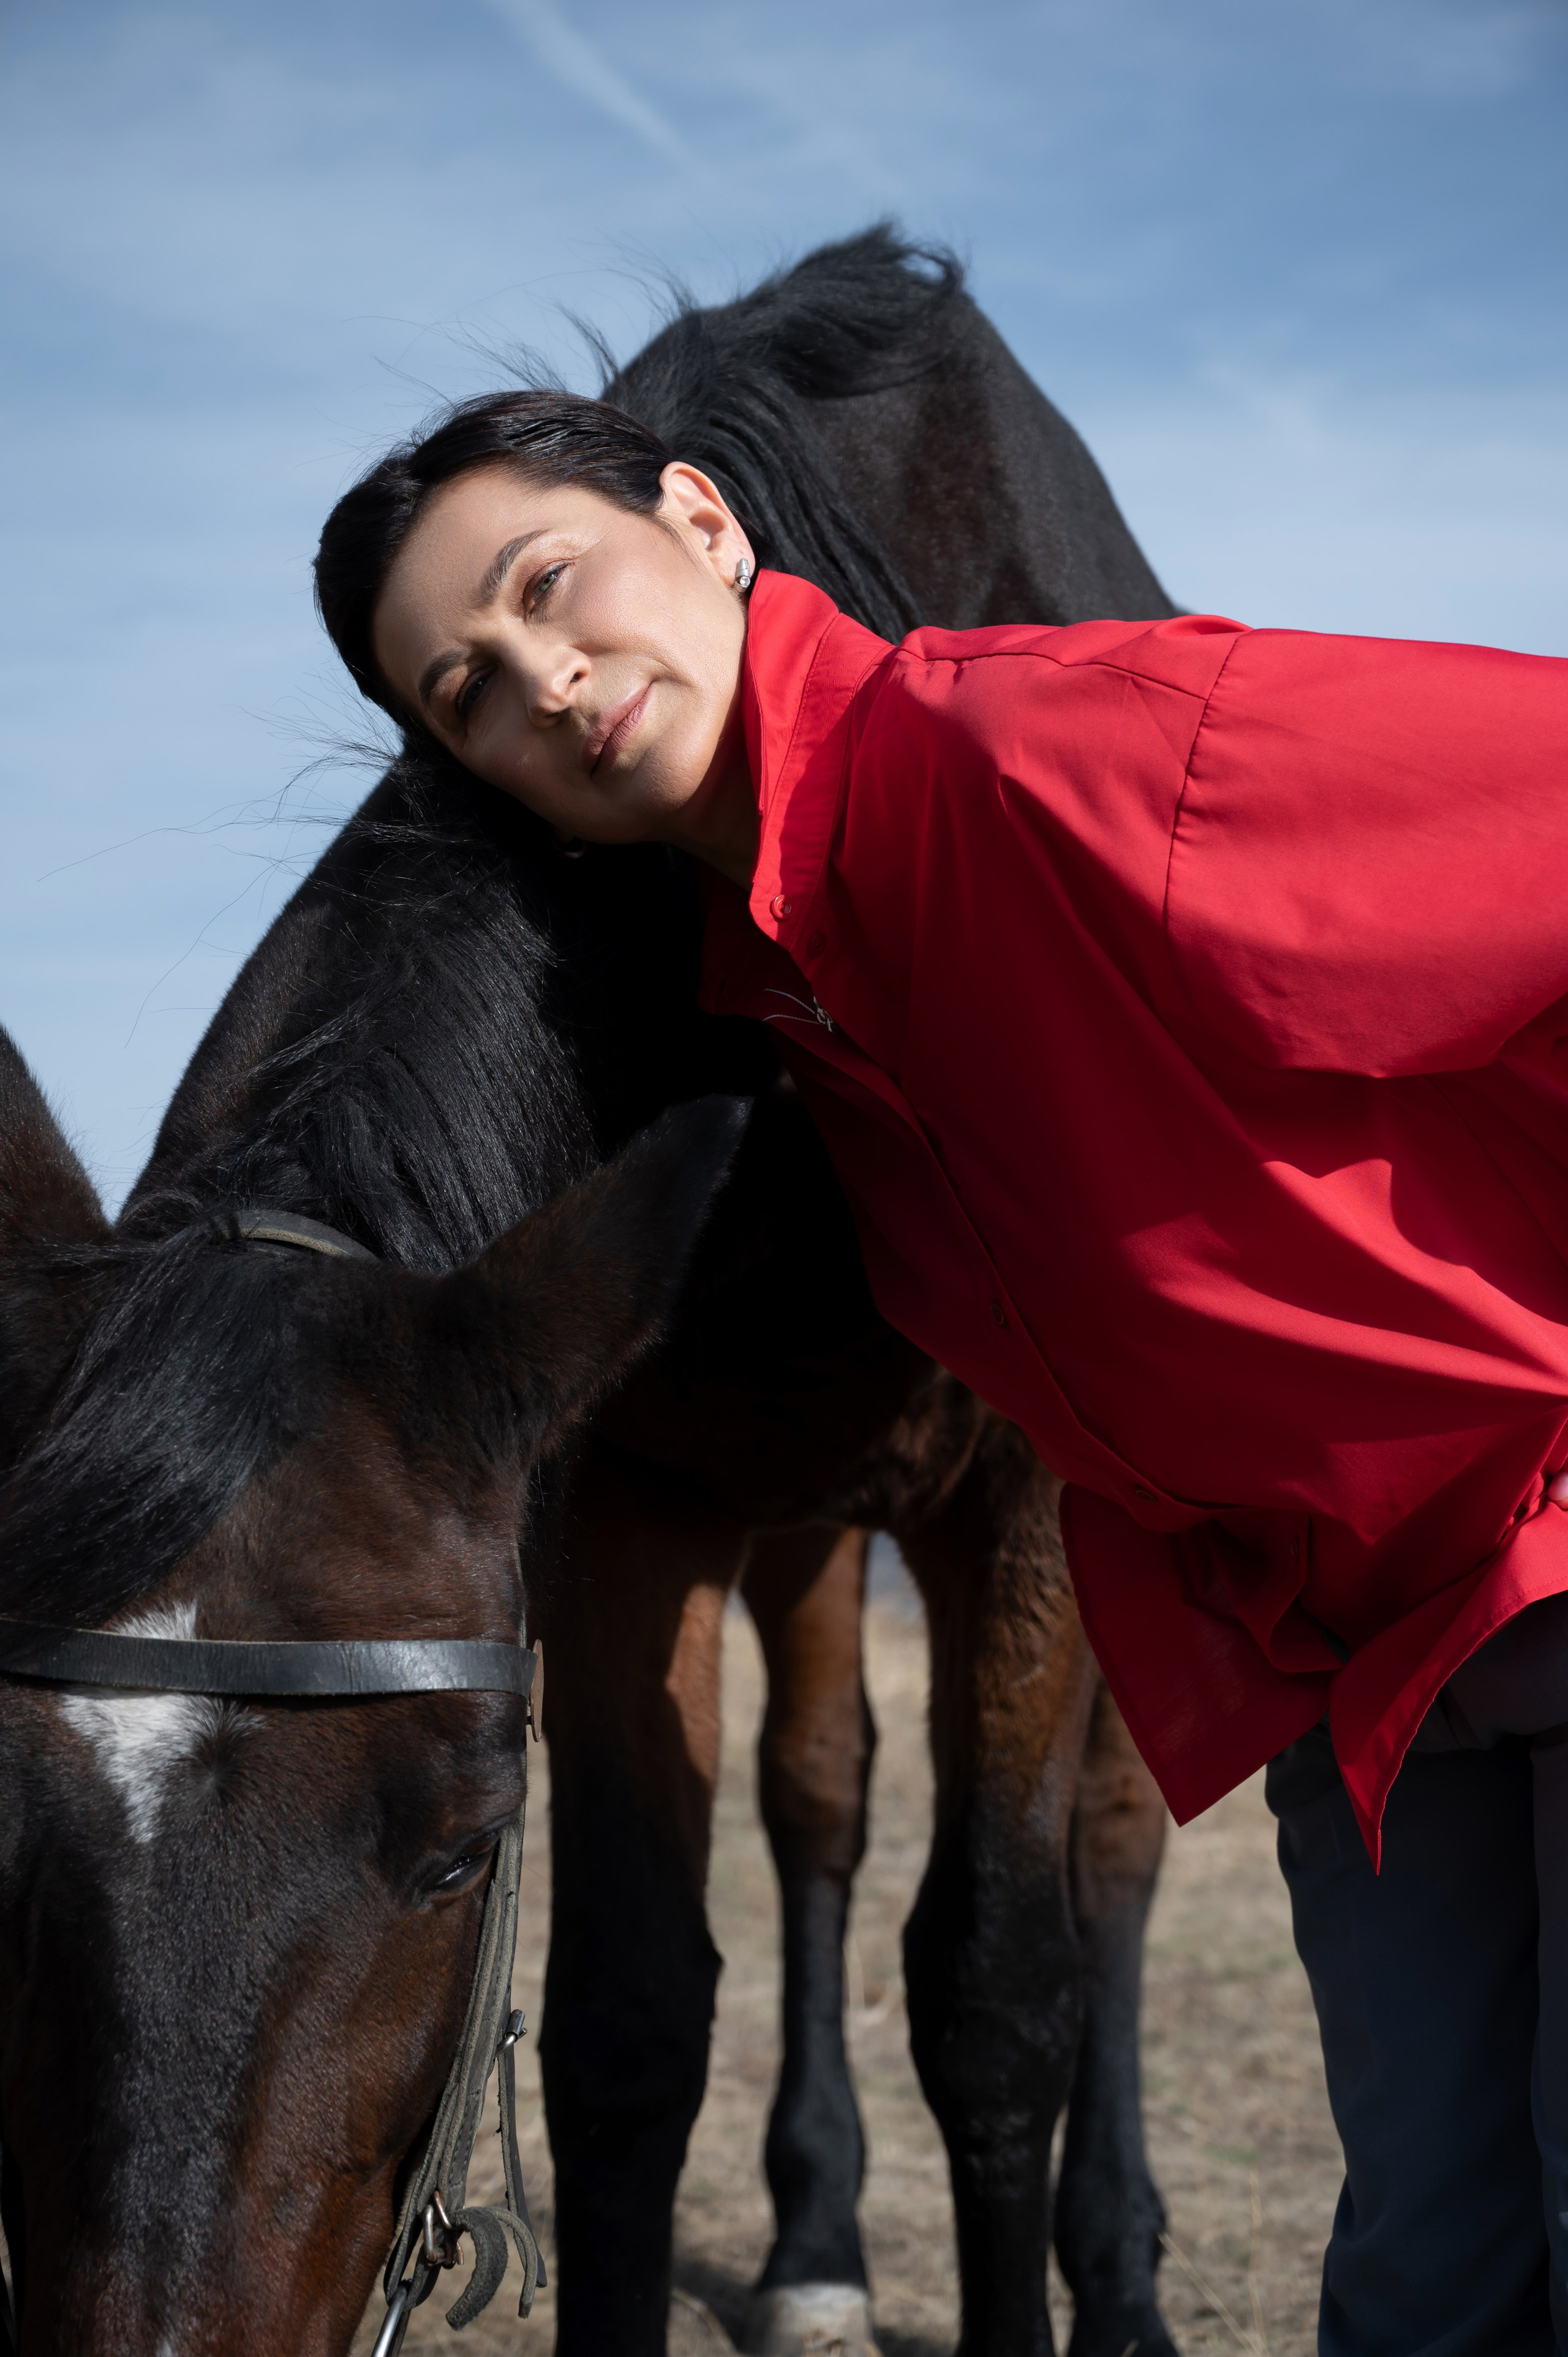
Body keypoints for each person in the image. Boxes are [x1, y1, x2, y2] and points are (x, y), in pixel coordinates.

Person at [315, 386, 1568, 2355]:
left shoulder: (1053, 740)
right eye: (469, 690)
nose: (544, 682)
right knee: (1432, 2280)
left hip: (1542, 1553)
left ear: (709, 525)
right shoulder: (799, 991)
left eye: (550, 585)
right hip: (1373, 1689)